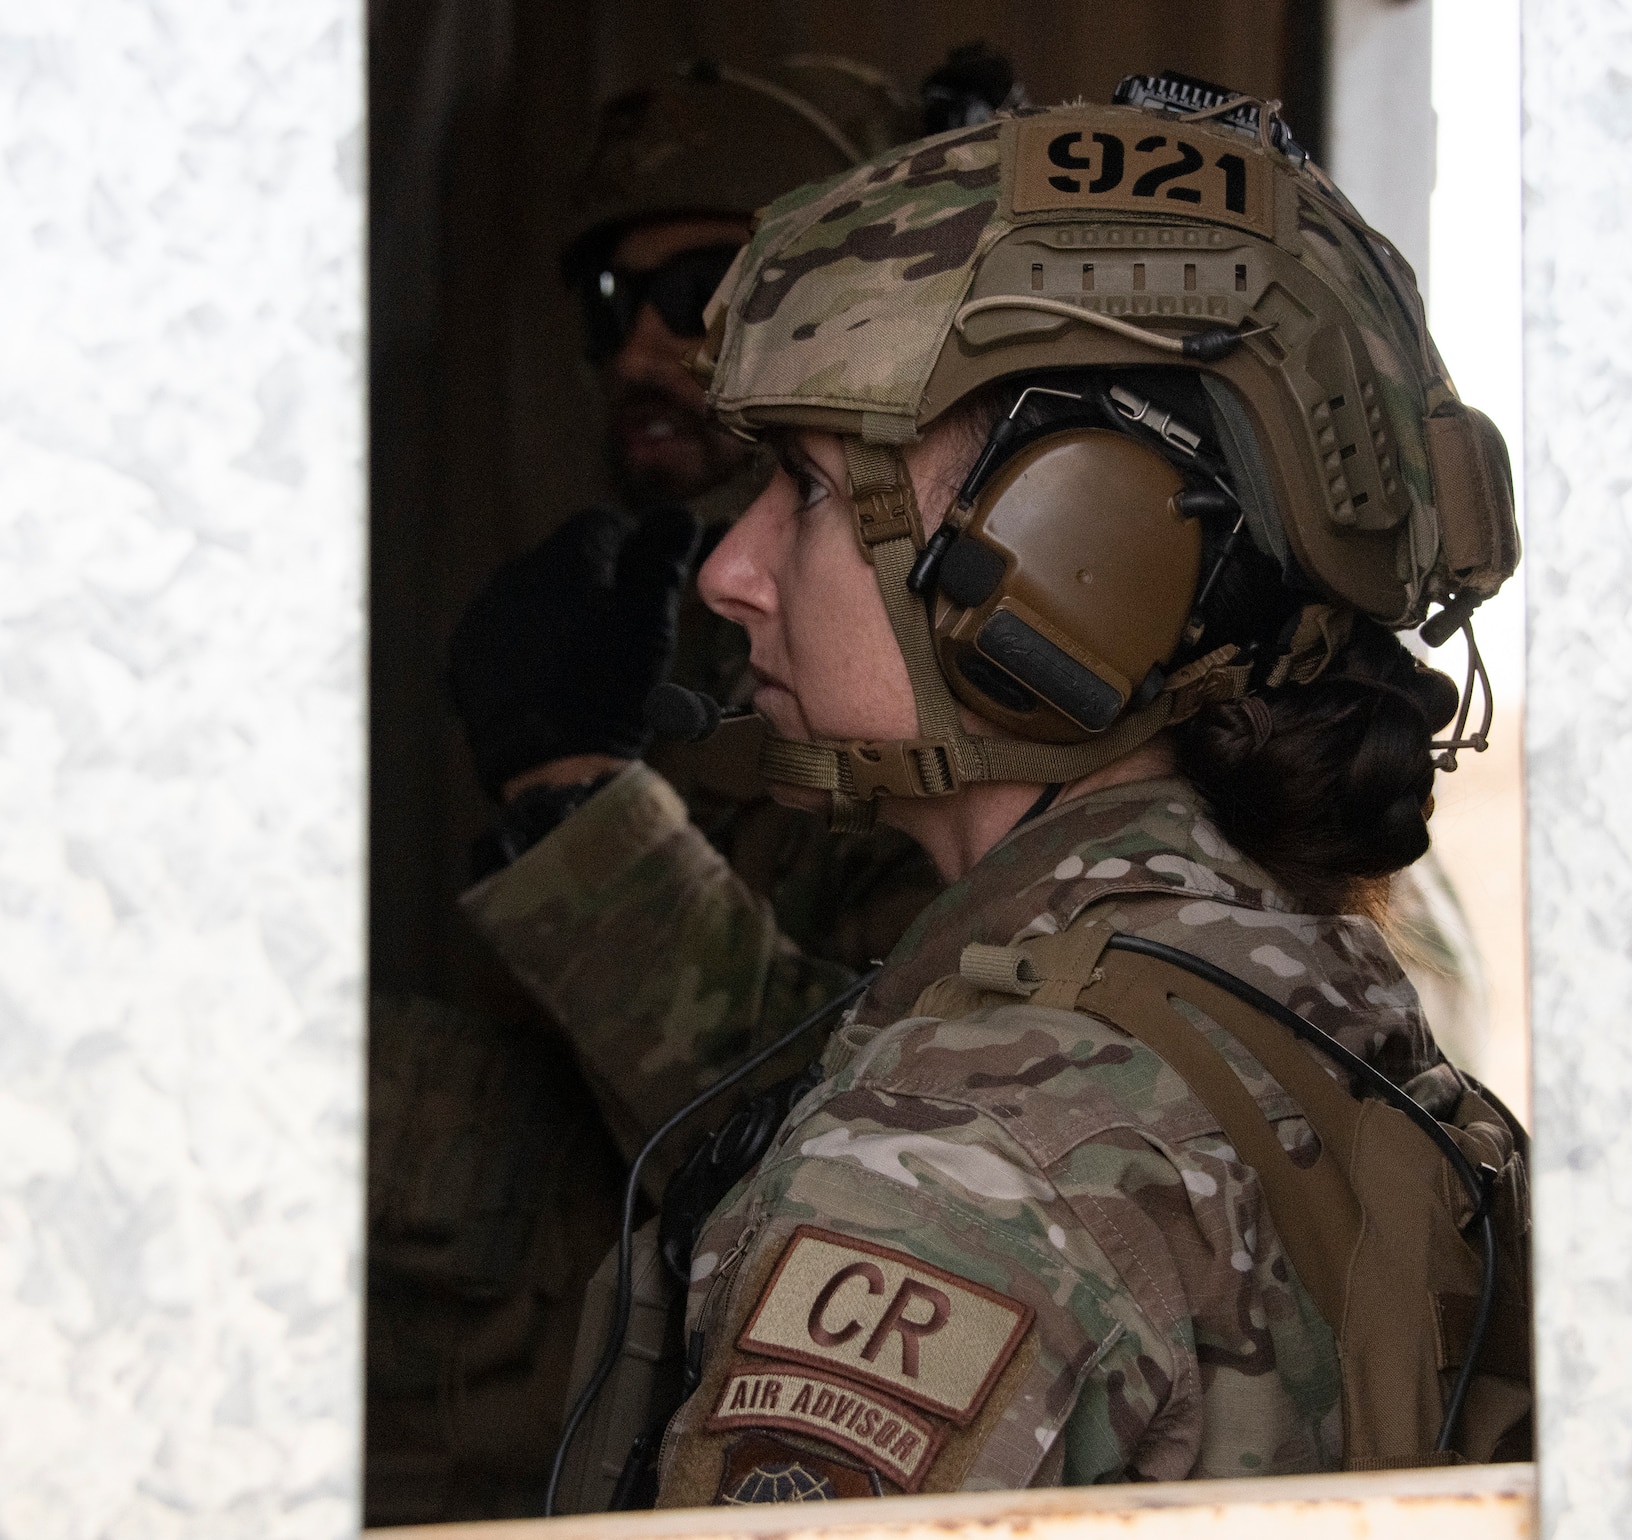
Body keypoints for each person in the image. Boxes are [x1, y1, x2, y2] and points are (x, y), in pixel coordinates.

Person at [472, 79, 1530, 1506]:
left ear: (1066, 550)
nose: (730, 571)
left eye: (805, 486)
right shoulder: (1323, 1008)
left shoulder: (954, 1175)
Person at [364, 51, 1021, 1524]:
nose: (646, 349)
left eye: (706, 291)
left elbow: (884, 1181)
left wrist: (586, 808)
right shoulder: (668, 656)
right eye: (612, 305)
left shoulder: (1026, 667)